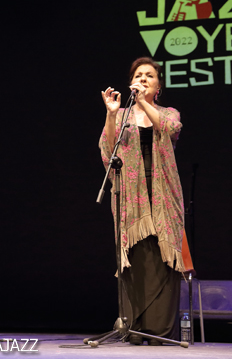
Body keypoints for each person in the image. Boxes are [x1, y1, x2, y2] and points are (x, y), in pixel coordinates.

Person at [99, 57, 186, 346]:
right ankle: (134, 328)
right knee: (135, 258)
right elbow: (108, 148)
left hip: (163, 193)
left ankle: (160, 331)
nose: (143, 79)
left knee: (162, 259)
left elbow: (170, 129)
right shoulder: (122, 115)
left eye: (149, 75)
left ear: (158, 86)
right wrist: (112, 114)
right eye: (139, 75)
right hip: (130, 196)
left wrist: (143, 102)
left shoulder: (168, 112)